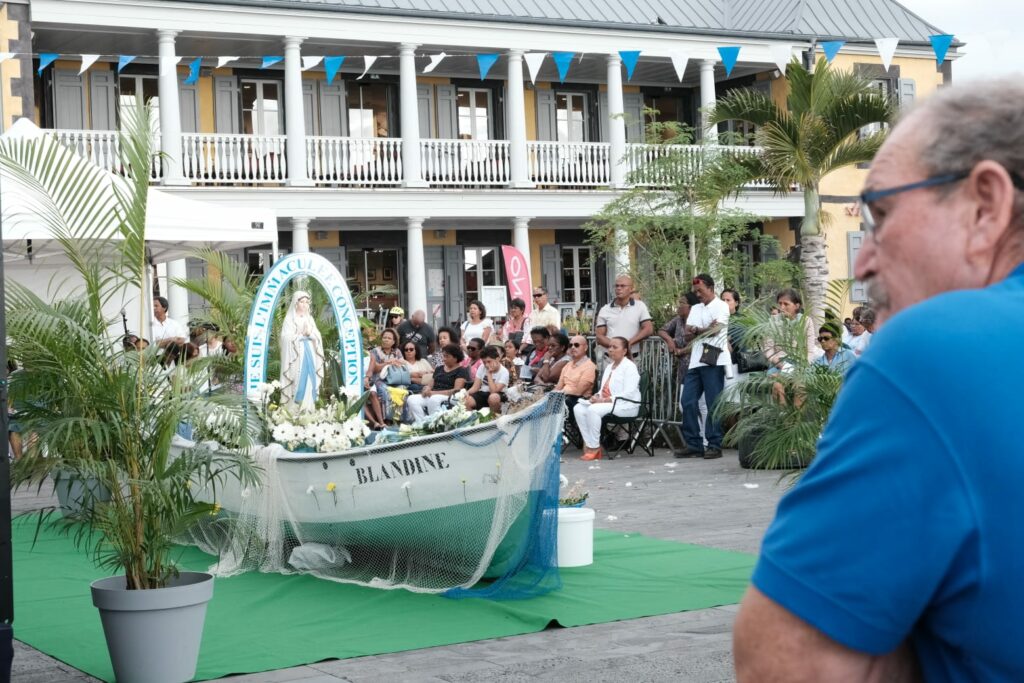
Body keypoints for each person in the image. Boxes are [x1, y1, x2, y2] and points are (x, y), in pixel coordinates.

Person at [733, 79, 1024, 681]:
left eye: (881, 213)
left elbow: (786, 664)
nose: (862, 260)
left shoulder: (939, 350)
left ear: (985, 206)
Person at [679, 274, 730, 459]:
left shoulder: (721, 305)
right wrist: (703, 330)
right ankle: (694, 443)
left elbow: (716, 330)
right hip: (696, 359)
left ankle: (714, 444)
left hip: (714, 356)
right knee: (687, 401)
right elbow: (687, 334)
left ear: (711, 288)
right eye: (695, 291)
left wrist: (698, 330)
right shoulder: (696, 308)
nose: (698, 294)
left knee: (713, 402)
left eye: (700, 290)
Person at [572, 337, 641, 461]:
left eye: (615, 347)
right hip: (608, 403)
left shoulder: (630, 367)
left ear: (624, 351)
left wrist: (604, 400)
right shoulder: (609, 367)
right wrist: (596, 396)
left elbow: (629, 393)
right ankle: (589, 444)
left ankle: (594, 447)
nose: (611, 349)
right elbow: (603, 389)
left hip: (625, 405)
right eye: (610, 347)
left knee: (593, 410)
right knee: (578, 408)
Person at [658, 293, 705, 458]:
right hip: (684, 368)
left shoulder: (697, 320)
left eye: (682, 303)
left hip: (699, 365)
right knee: (684, 405)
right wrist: (670, 342)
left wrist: (681, 351)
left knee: (702, 406)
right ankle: (695, 441)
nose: (678, 306)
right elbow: (662, 330)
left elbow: (700, 341)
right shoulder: (677, 320)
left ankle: (705, 441)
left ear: (691, 306)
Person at [280, 291, 326, 411]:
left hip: (309, 352)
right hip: (296, 355)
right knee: (297, 378)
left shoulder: (309, 318)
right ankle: (294, 409)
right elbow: (285, 338)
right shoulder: (289, 319)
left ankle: (309, 409)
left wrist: (310, 333)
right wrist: (300, 335)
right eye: (302, 302)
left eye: (307, 302)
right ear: (296, 303)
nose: (305, 305)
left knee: (311, 378)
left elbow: (317, 335)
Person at [595, 275, 654, 365]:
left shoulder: (640, 306)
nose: (619, 288)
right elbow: (599, 336)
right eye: (617, 286)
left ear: (631, 289)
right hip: (610, 359)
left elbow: (648, 329)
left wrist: (629, 343)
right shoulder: (605, 309)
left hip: (632, 358)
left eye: (622, 286)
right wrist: (618, 346)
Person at [405, 344, 472, 423]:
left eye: (446, 356)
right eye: (443, 356)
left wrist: (433, 393)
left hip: (448, 397)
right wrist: (426, 389)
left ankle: (436, 424)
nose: (443, 359)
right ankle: (422, 423)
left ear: (455, 358)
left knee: (434, 399)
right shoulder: (439, 368)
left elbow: (456, 390)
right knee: (411, 399)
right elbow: (430, 384)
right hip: (433, 394)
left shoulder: (461, 370)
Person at [553, 335, 597, 442]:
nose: (573, 347)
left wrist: (560, 393)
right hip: (564, 397)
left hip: (578, 400)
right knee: (539, 401)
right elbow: (558, 386)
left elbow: (578, 391)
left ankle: (552, 438)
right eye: (570, 345)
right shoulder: (567, 365)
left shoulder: (589, 366)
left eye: (576, 345)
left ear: (585, 348)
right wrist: (549, 396)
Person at [364, 327, 402, 429]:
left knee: (402, 390)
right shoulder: (375, 351)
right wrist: (388, 362)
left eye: (389, 338)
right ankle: (386, 419)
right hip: (378, 379)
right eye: (384, 337)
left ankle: (398, 419)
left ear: (394, 341)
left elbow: (402, 364)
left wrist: (397, 363)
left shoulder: (397, 352)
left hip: (394, 379)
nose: (386, 340)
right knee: (384, 390)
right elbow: (374, 368)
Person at [464, 346, 509, 412]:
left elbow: (493, 391)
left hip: (498, 394)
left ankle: (494, 418)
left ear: (497, 359)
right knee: (466, 401)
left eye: (489, 361)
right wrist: (466, 393)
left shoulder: (504, 372)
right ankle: (474, 419)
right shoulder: (482, 367)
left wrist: (489, 374)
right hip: (483, 392)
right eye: (484, 362)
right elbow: (475, 387)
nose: (487, 365)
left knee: (493, 397)